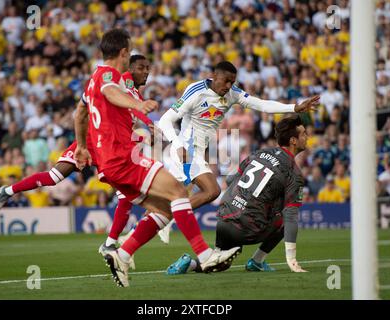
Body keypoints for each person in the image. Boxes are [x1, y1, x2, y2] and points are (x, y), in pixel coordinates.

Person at [73, 29, 241, 288]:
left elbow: (80, 113)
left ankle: (123, 253)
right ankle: (206, 256)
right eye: (129, 51)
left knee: (163, 208)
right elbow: (110, 92)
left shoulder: (91, 80)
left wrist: (82, 146)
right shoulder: (110, 75)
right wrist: (136, 105)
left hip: (108, 163)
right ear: (124, 52)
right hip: (122, 157)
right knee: (178, 192)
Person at [157, 60, 320, 242]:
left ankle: (148, 227)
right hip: (185, 149)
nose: (229, 86)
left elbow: (261, 105)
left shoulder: (232, 94)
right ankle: (161, 222)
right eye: (226, 81)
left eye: (232, 82)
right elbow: (165, 120)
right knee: (210, 191)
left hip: (198, 151)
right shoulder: (196, 91)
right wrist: (177, 144)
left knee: (181, 195)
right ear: (215, 76)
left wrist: (294, 108)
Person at [0, 55, 154, 216]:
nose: (146, 71)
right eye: (141, 68)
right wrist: (148, 124)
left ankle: (111, 243)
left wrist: (143, 135)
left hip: (109, 145)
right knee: (54, 176)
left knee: (124, 194)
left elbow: (125, 122)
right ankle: (7, 191)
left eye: (147, 68)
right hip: (92, 139)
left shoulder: (136, 95)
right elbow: (127, 102)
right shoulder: (123, 80)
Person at [167, 115, 309, 274]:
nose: (307, 137)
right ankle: (257, 261)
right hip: (247, 226)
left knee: (221, 262)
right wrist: (292, 259)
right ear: (293, 141)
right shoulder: (293, 173)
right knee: (285, 215)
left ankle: (191, 263)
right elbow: (291, 216)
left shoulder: (259, 153)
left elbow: (230, 179)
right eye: (303, 133)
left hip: (224, 218)